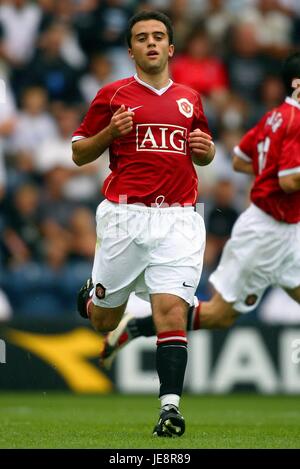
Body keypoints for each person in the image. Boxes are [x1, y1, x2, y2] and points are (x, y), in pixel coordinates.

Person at [78, 51, 300, 377]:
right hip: (268, 231)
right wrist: (275, 175)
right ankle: (136, 323)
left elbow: (238, 158)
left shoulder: (274, 117)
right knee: (217, 315)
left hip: (282, 227)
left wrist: (259, 169)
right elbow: (287, 178)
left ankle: (141, 329)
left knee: (218, 315)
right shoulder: (293, 120)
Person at [72, 10, 215, 437]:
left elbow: (202, 151)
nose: (150, 43)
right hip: (124, 218)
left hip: (178, 218)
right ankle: (92, 296)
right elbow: (80, 152)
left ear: (170, 48)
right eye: (141, 38)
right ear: (131, 49)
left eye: (158, 37)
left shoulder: (191, 97)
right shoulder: (112, 94)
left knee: (171, 311)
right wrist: (108, 135)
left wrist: (205, 150)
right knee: (101, 320)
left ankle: (169, 410)